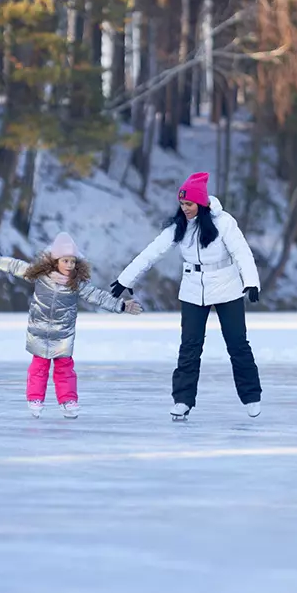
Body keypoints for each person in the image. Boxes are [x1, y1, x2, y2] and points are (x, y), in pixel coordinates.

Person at [110, 171, 262, 420]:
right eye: (181, 204)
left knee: (237, 344)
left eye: (189, 204)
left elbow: (242, 253)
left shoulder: (224, 223)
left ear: (201, 203)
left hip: (226, 286)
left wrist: (251, 282)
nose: (185, 208)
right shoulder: (178, 226)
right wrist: (125, 279)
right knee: (189, 347)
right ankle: (182, 400)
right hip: (193, 289)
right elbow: (151, 253)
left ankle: (251, 395)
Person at [0, 232, 143, 419]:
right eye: (65, 261)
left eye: (72, 261)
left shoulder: (76, 284)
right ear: (55, 261)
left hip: (63, 333)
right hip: (39, 330)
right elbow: (16, 266)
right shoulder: (39, 275)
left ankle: (68, 401)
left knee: (65, 367)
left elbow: (98, 296)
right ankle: (35, 399)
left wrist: (121, 305)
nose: (69, 265)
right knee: (39, 366)